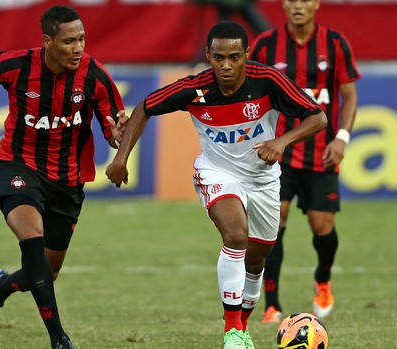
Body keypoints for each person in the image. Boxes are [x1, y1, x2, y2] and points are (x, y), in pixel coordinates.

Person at [106, 21, 327, 349]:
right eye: (219, 57)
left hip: (264, 179)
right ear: (208, 55)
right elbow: (145, 108)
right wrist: (122, 158)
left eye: (234, 57)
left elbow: (318, 117)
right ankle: (231, 330)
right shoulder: (194, 88)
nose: (226, 65)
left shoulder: (268, 81)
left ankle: (242, 330)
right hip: (217, 173)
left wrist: (281, 141)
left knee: (257, 259)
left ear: (246, 55)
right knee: (235, 235)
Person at [0, 5, 127, 349]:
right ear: (47, 41)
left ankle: (1, 288)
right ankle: (59, 339)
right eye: (69, 41)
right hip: (17, 166)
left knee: (45, 272)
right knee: (31, 237)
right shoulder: (16, 65)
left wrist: (118, 134)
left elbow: (113, 126)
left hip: (67, 182)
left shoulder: (94, 75)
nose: (78, 48)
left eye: (82, 39)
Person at [249, 0, 361, 322]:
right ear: (284, 5)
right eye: (292, 0)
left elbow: (350, 95)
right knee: (274, 223)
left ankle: (323, 279)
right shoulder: (267, 44)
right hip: (278, 151)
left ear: (316, 4)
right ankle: (272, 304)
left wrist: (342, 137)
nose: (298, 6)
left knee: (322, 226)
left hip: (322, 151)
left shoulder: (336, 44)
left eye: (305, 0)